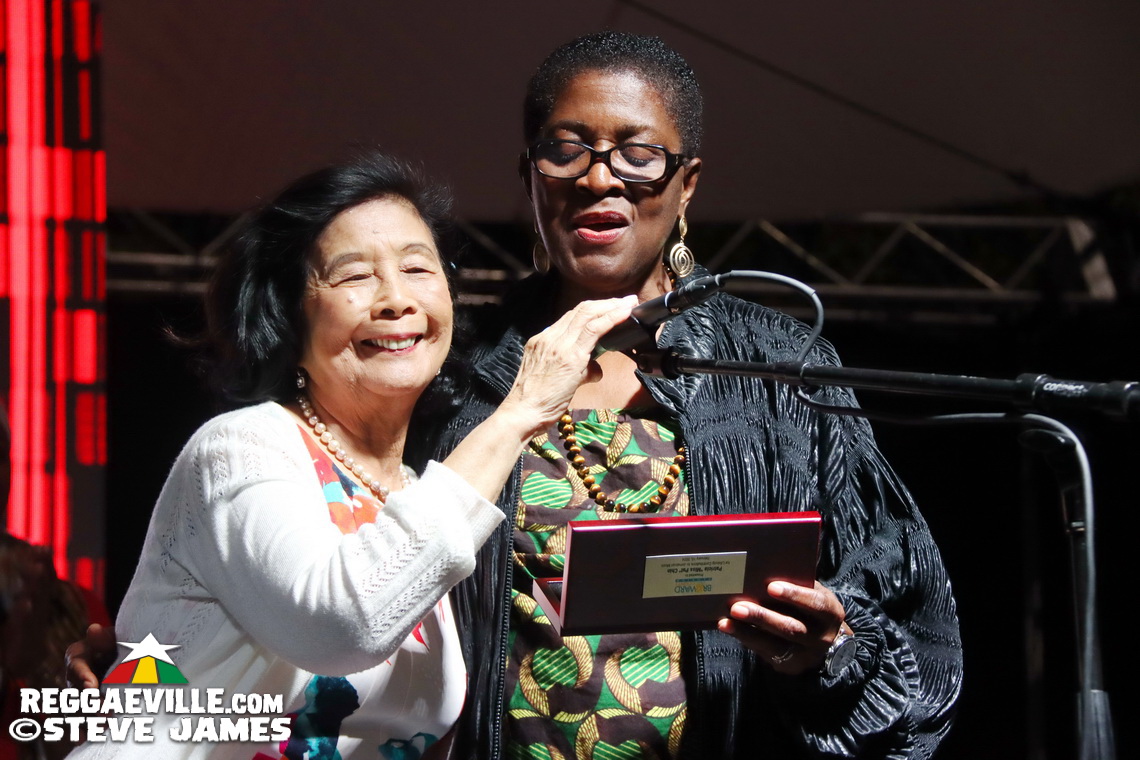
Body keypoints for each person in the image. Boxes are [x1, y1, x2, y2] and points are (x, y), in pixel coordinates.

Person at [407, 32, 963, 759]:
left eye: (638, 155)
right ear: (530, 173)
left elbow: (906, 621)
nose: (599, 178)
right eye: (566, 147)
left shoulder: (778, 369)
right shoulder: (460, 368)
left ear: (687, 183)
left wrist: (823, 651)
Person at [64, 151, 635, 759]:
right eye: (354, 276)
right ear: (290, 315)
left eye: (418, 268)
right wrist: (520, 412)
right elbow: (341, 624)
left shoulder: (418, 488)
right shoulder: (240, 448)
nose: (395, 299)